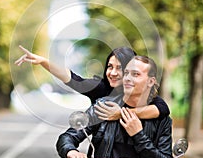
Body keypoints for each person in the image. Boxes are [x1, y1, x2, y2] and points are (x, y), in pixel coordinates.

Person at [15, 45, 170, 120]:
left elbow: (162, 109)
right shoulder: (101, 89)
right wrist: (43, 61)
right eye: (110, 67)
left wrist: (120, 114)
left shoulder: (142, 95)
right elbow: (72, 78)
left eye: (120, 68)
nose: (113, 72)